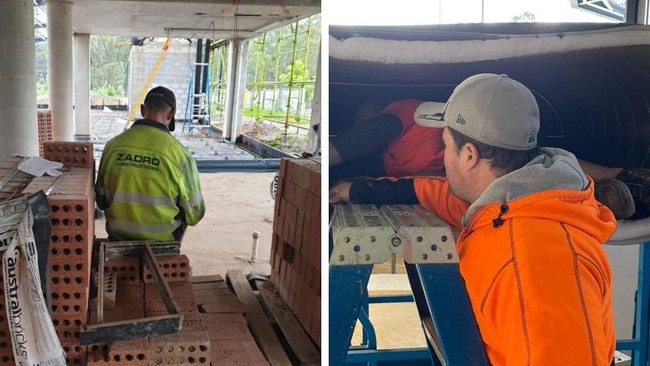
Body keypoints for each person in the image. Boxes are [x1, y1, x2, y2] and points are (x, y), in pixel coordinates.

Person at [330, 73, 616, 365]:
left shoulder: (534, 261)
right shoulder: (503, 207)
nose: (441, 159)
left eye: (445, 146)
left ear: (468, 155)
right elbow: (429, 190)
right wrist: (357, 190)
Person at [330, 97, 650, 219]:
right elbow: (410, 186)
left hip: (485, 152)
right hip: (469, 174)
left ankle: (622, 174)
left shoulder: (399, 114)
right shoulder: (386, 160)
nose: (370, 122)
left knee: (542, 162)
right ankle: (605, 195)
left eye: (369, 116)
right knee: (539, 172)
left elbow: (359, 139)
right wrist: (349, 189)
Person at [95, 86, 206, 241]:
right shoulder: (181, 155)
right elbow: (195, 213)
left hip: (118, 236)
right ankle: (169, 252)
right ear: (171, 113)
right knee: (184, 208)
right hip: (160, 242)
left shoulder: (112, 146)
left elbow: (101, 201)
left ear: (142, 110)